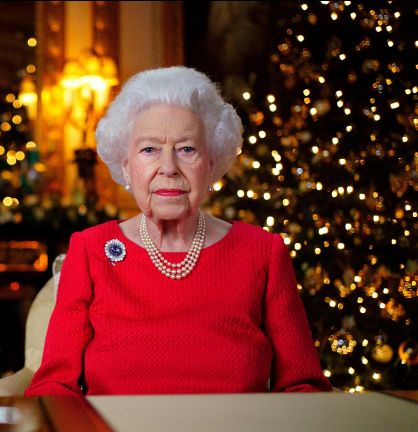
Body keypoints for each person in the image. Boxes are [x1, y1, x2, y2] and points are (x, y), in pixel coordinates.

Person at [25, 66, 332, 396]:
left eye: (187, 149)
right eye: (149, 150)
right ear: (126, 165)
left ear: (211, 164)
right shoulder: (90, 249)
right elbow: (54, 387)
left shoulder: (261, 251)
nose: (168, 168)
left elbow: (303, 386)